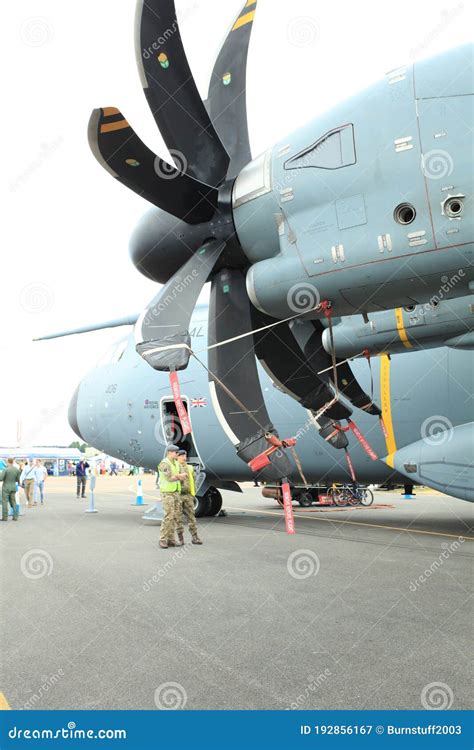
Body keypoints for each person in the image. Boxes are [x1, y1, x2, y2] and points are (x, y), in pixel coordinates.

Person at [157, 446, 186, 550]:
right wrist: (179, 476)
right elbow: (169, 478)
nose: (177, 454)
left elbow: (183, 475)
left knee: (174, 517)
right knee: (168, 516)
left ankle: (171, 540)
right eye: (175, 452)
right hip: (167, 493)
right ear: (169, 452)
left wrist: (179, 476)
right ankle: (163, 539)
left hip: (175, 492)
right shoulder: (164, 463)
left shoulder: (175, 463)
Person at [175, 450, 202, 545]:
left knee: (191, 517)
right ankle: (180, 539)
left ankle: (195, 537)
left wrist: (192, 493)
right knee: (178, 518)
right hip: (178, 495)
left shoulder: (189, 467)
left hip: (188, 495)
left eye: (185, 455)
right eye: (181, 456)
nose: (184, 457)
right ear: (177, 457)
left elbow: (193, 479)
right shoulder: (175, 467)